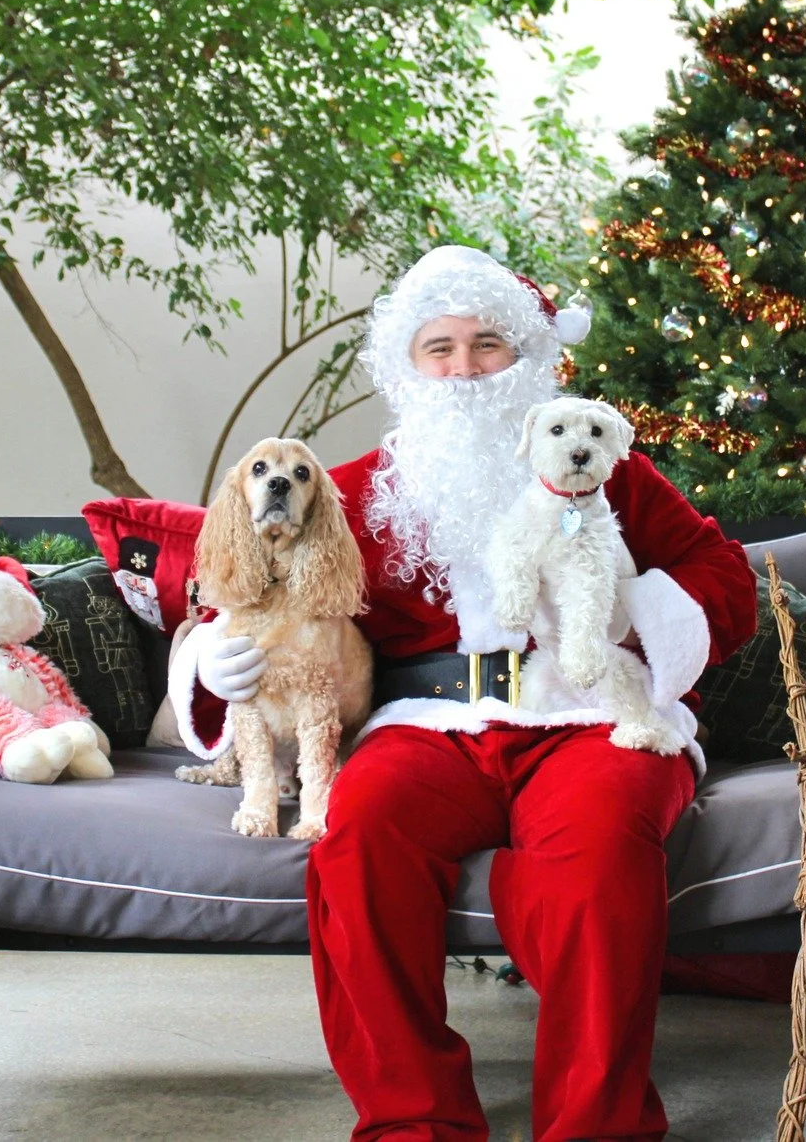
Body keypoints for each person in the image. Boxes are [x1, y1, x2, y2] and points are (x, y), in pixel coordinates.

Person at [169, 245, 756, 1142]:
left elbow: (719, 572)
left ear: (528, 357)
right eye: (438, 347)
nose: (464, 367)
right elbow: (253, 579)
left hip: (588, 716)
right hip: (430, 725)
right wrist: (213, 661)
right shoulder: (355, 490)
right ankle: (414, 1124)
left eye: (488, 344)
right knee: (356, 839)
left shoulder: (604, 467)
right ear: (407, 366)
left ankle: (593, 1129)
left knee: (598, 858)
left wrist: (623, 615)